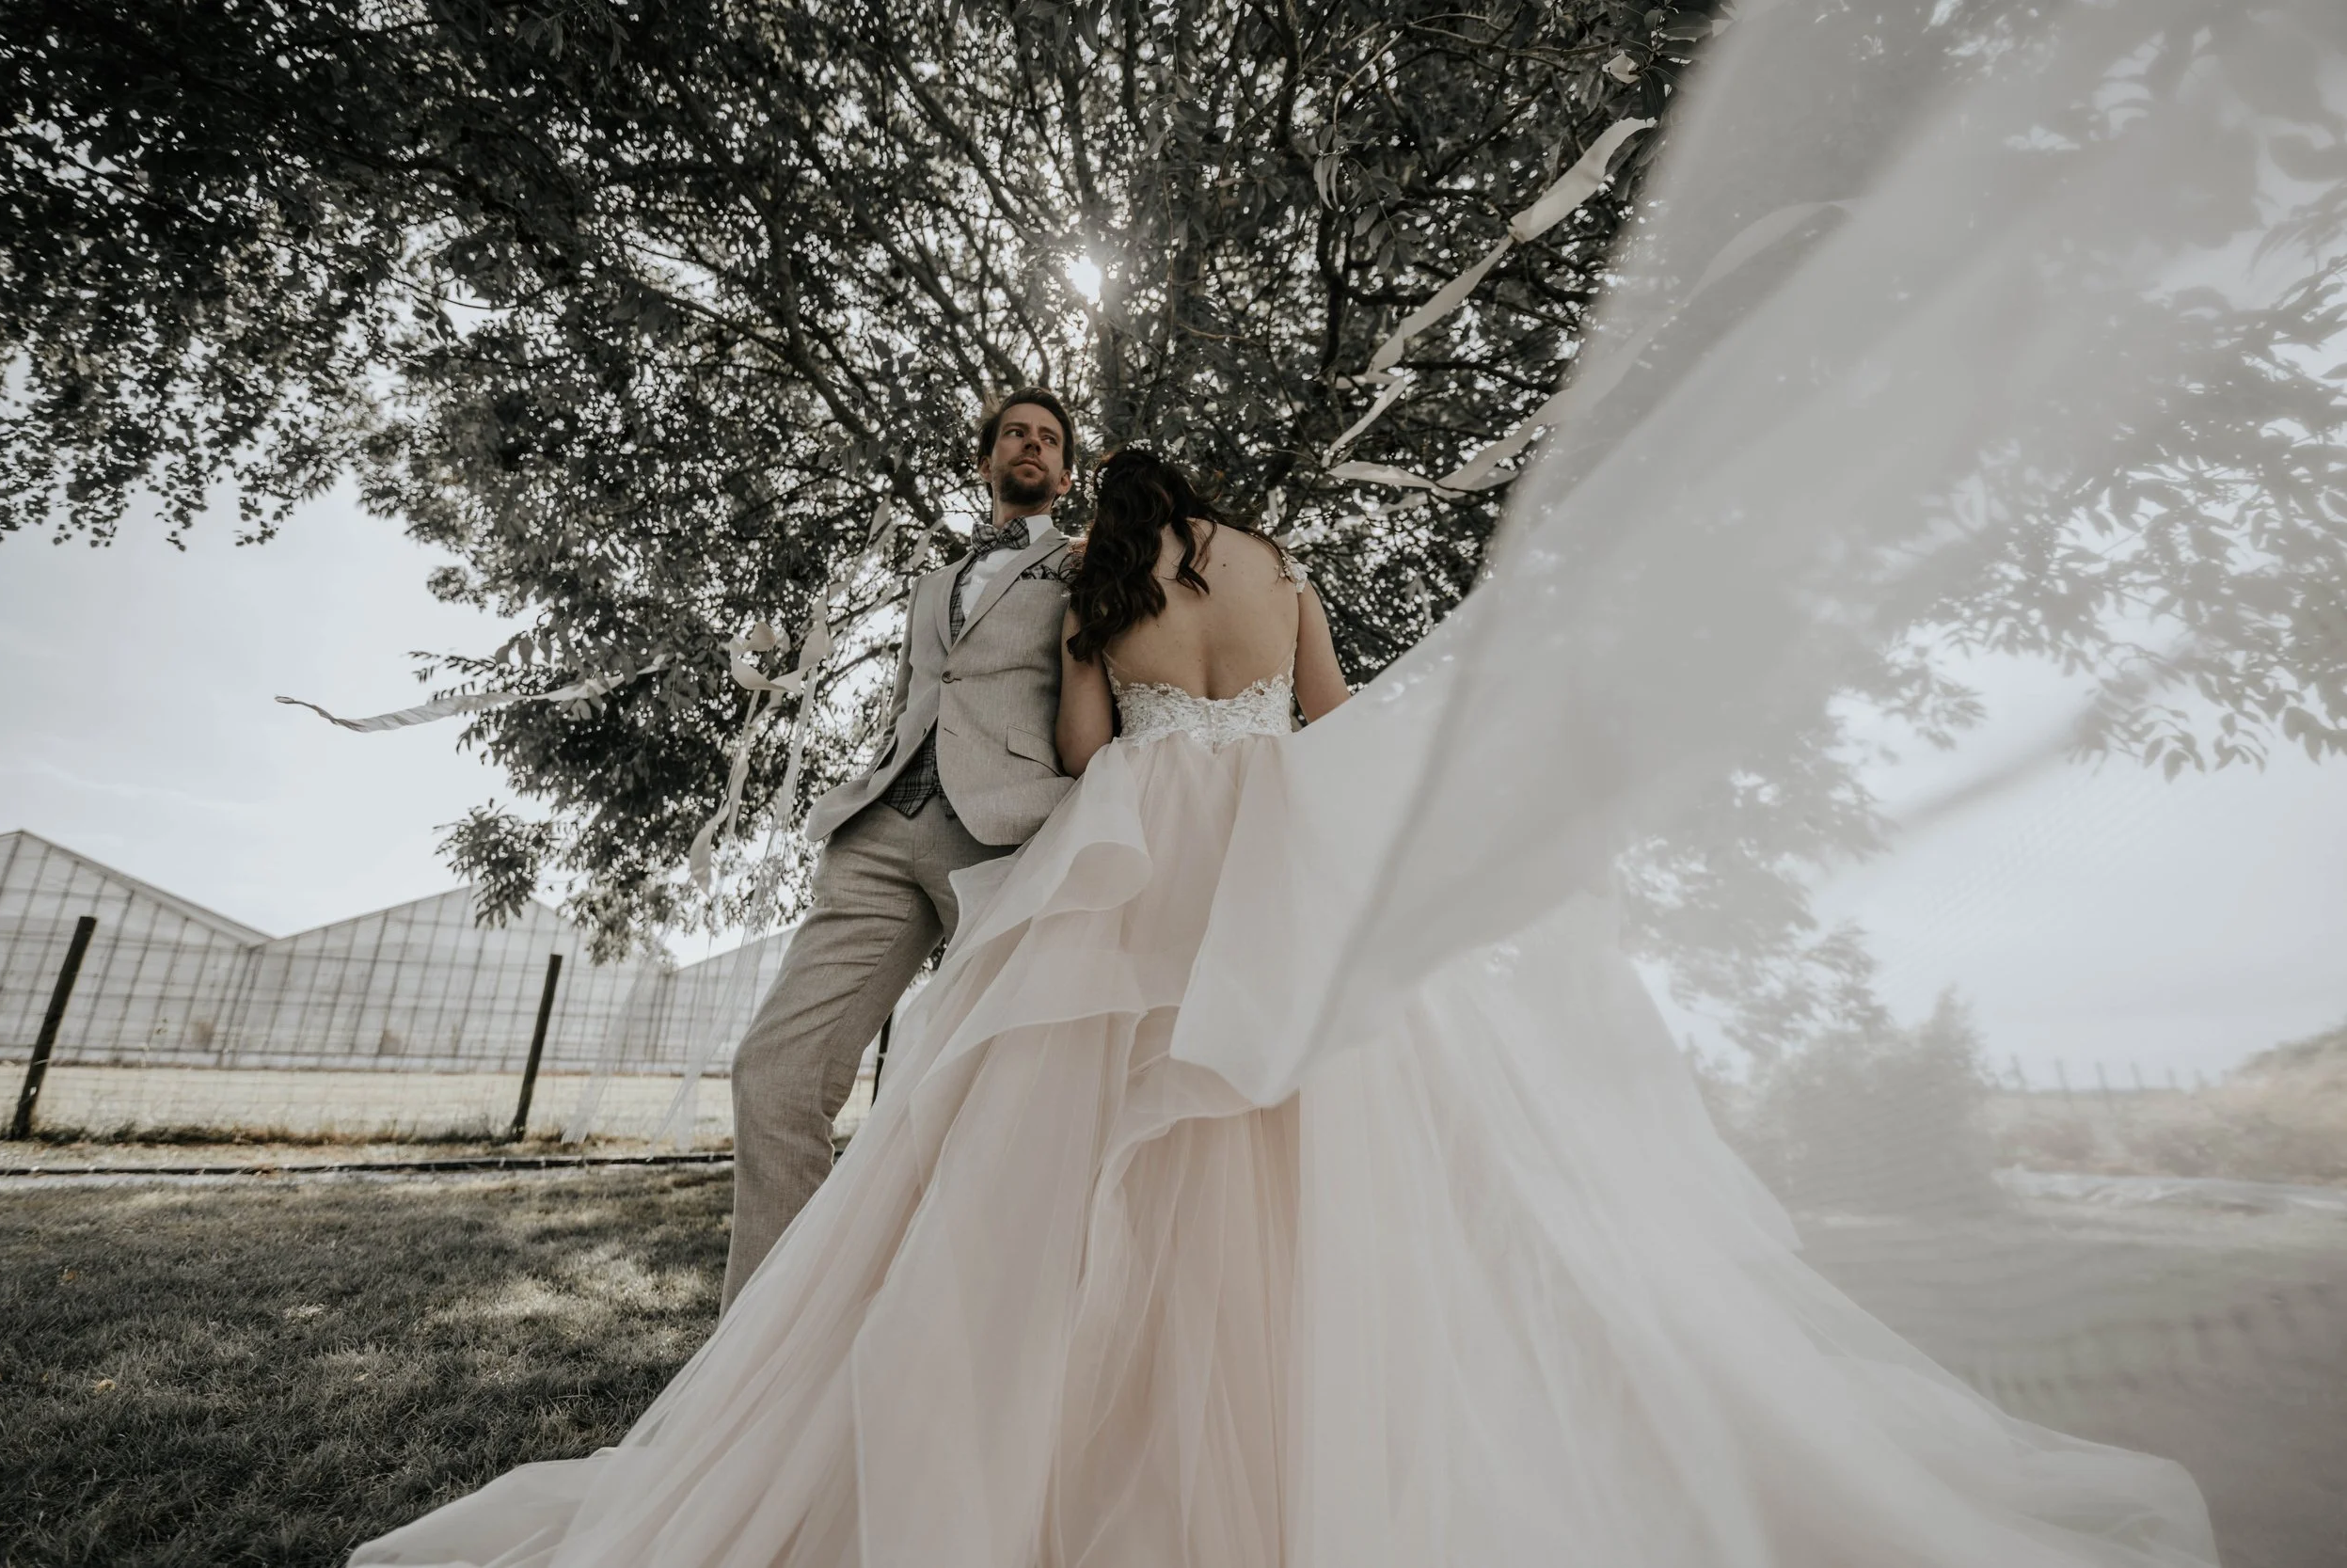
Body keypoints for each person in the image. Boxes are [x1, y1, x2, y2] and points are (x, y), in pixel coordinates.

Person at [350, 446, 2216, 1568]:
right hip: (1274, 850)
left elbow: (1091, 756)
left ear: (1111, 516)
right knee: (1312, 1120)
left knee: (1076, 1128)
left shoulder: (1101, 603)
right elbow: (1328, 724)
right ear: (1213, 511)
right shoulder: (1277, 566)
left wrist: (1118, 699)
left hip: (1147, 853)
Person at [722, 388, 1081, 1307]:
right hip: (880, 826)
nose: (1031, 445)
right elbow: (918, 698)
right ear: (986, 460)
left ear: (1065, 473)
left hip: (1010, 835)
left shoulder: (1086, 566)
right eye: (1015, 433)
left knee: (1018, 1091)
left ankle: (984, 1328)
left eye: (1048, 438)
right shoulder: (931, 582)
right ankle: (765, 1341)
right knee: (774, 1071)